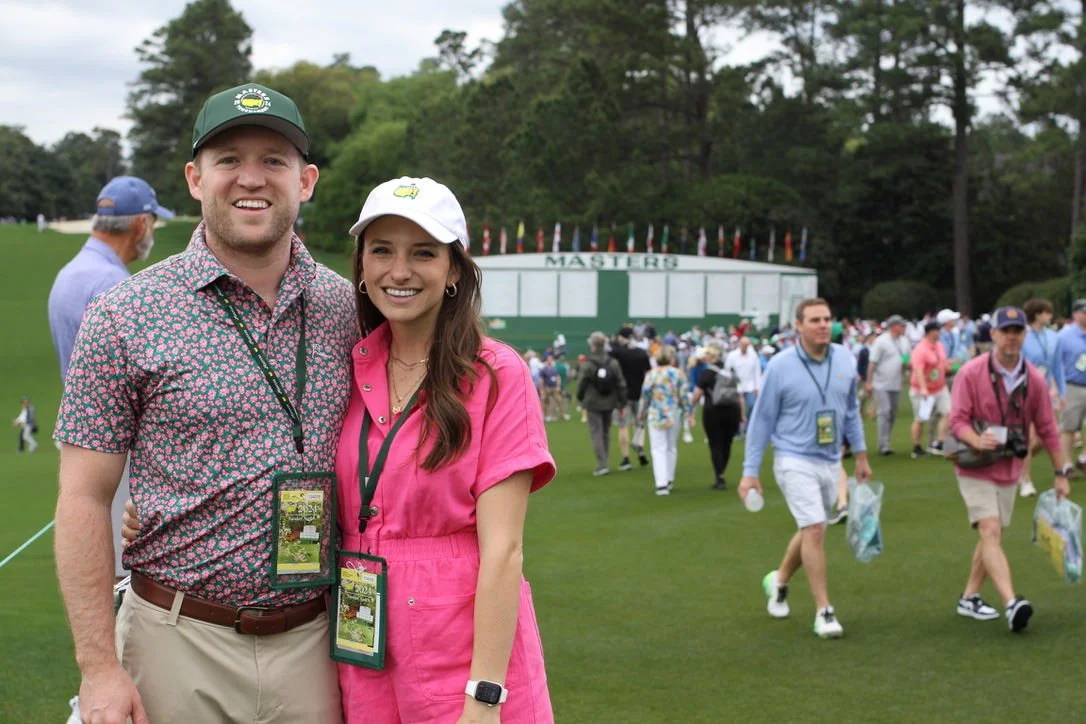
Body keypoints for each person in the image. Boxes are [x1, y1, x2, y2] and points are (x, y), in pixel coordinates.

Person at [54, 82, 352, 724]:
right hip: (174, 641)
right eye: (228, 159)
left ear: (307, 180)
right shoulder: (124, 315)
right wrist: (98, 667)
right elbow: (82, 495)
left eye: (274, 159)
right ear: (195, 178)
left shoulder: (348, 310)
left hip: (315, 647)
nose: (252, 178)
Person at [48, 175, 173, 581]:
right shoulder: (115, 287)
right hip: (116, 451)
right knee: (124, 580)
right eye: (153, 222)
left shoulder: (72, 272)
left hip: (88, 443)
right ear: (141, 224)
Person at [739, 298, 872, 639]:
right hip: (792, 458)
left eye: (827, 319)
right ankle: (824, 611)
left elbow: (851, 409)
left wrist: (860, 454)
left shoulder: (844, 357)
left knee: (810, 527)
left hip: (831, 460)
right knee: (814, 528)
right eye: (815, 320)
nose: (824, 325)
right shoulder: (780, 366)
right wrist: (750, 471)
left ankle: (779, 580)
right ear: (798, 326)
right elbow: (762, 419)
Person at [947, 306, 1070, 632]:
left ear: (1024, 335)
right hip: (974, 465)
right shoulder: (971, 372)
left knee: (993, 534)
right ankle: (1011, 602)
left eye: (1018, 331)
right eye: (1006, 331)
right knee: (989, 529)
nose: (1012, 337)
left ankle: (970, 597)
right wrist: (975, 439)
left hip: (1009, 466)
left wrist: (1060, 474)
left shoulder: (1035, 379)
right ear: (994, 335)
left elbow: (1048, 428)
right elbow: (957, 420)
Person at [1019, 298, 1065, 497]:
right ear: (1037, 314)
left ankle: (1016, 462)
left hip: (1045, 391)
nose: (1050, 316)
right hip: (1024, 391)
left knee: (1046, 437)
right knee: (1029, 437)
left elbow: (1057, 366)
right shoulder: (1023, 336)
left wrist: (1062, 392)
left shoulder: (1053, 336)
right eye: (1046, 312)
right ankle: (1025, 480)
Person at [639, 345, 692, 495]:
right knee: (671, 447)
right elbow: (683, 396)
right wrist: (688, 412)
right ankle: (669, 479)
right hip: (673, 413)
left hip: (656, 414)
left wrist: (640, 414)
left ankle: (661, 483)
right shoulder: (679, 374)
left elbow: (645, 396)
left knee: (658, 448)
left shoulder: (651, 375)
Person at [691, 345, 744, 490]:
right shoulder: (730, 371)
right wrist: (742, 415)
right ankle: (722, 472)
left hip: (713, 411)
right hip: (732, 410)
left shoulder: (707, 372)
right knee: (727, 443)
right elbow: (739, 395)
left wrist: (690, 408)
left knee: (715, 444)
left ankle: (719, 476)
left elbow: (697, 393)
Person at [577, 331, 627, 475]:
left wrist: (581, 399)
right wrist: (622, 401)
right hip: (610, 401)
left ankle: (602, 463)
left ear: (592, 345)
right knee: (606, 432)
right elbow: (621, 383)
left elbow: (582, 384)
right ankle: (605, 460)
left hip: (592, 402)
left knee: (596, 433)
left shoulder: (588, 364)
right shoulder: (613, 363)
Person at [866, 315, 912, 455]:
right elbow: (872, 363)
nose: (904, 328)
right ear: (893, 326)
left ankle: (886, 440)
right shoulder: (881, 341)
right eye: (901, 325)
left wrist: (908, 368)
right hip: (881, 382)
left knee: (893, 412)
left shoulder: (904, 341)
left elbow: (907, 359)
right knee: (884, 411)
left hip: (896, 382)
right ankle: (883, 444)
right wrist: (869, 381)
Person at [611, 326, 652, 470]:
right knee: (639, 424)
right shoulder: (641, 353)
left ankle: (626, 458)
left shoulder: (617, 353)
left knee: (623, 426)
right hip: (640, 394)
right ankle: (640, 449)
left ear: (623, 337)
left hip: (623, 396)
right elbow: (648, 373)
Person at [910, 320, 951, 458]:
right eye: (937, 330)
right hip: (924, 389)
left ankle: (939, 442)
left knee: (947, 412)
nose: (939, 333)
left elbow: (943, 363)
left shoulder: (939, 345)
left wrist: (951, 367)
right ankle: (916, 446)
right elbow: (919, 369)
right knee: (921, 418)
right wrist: (923, 388)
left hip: (940, 387)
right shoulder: (920, 349)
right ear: (930, 332)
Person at [1056, 299, 1086, 474]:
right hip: (1072, 385)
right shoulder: (1064, 336)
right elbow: (1056, 363)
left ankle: (1083, 457)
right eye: (1083, 312)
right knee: (1069, 427)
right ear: (1075, 314)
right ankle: (1066, 463)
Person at [725, 336, 762, 434]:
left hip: (750, 386)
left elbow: (757, 373)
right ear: (740, 345)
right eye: (744, 345)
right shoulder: (732, 356)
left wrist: (757, 388)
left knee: (752, 406)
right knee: (736, 409)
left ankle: (748, 428)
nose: (746, 347)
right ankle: (736, 430)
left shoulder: (753, 356)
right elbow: (727, 372)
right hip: (736, 387)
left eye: (748, 345)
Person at [540, 354, 562, 421]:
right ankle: (547, 416)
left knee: (559, 400)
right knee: (547, 402)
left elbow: (557, 377)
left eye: (551, 359)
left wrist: (558, 386)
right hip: (547, 388)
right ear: (547, 360)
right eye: (549, 359)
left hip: (554, 387)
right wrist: (542, 388)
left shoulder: (554, 369)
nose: (550, 360)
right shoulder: (544, 369)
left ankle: (561, 415)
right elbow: (542, 379)